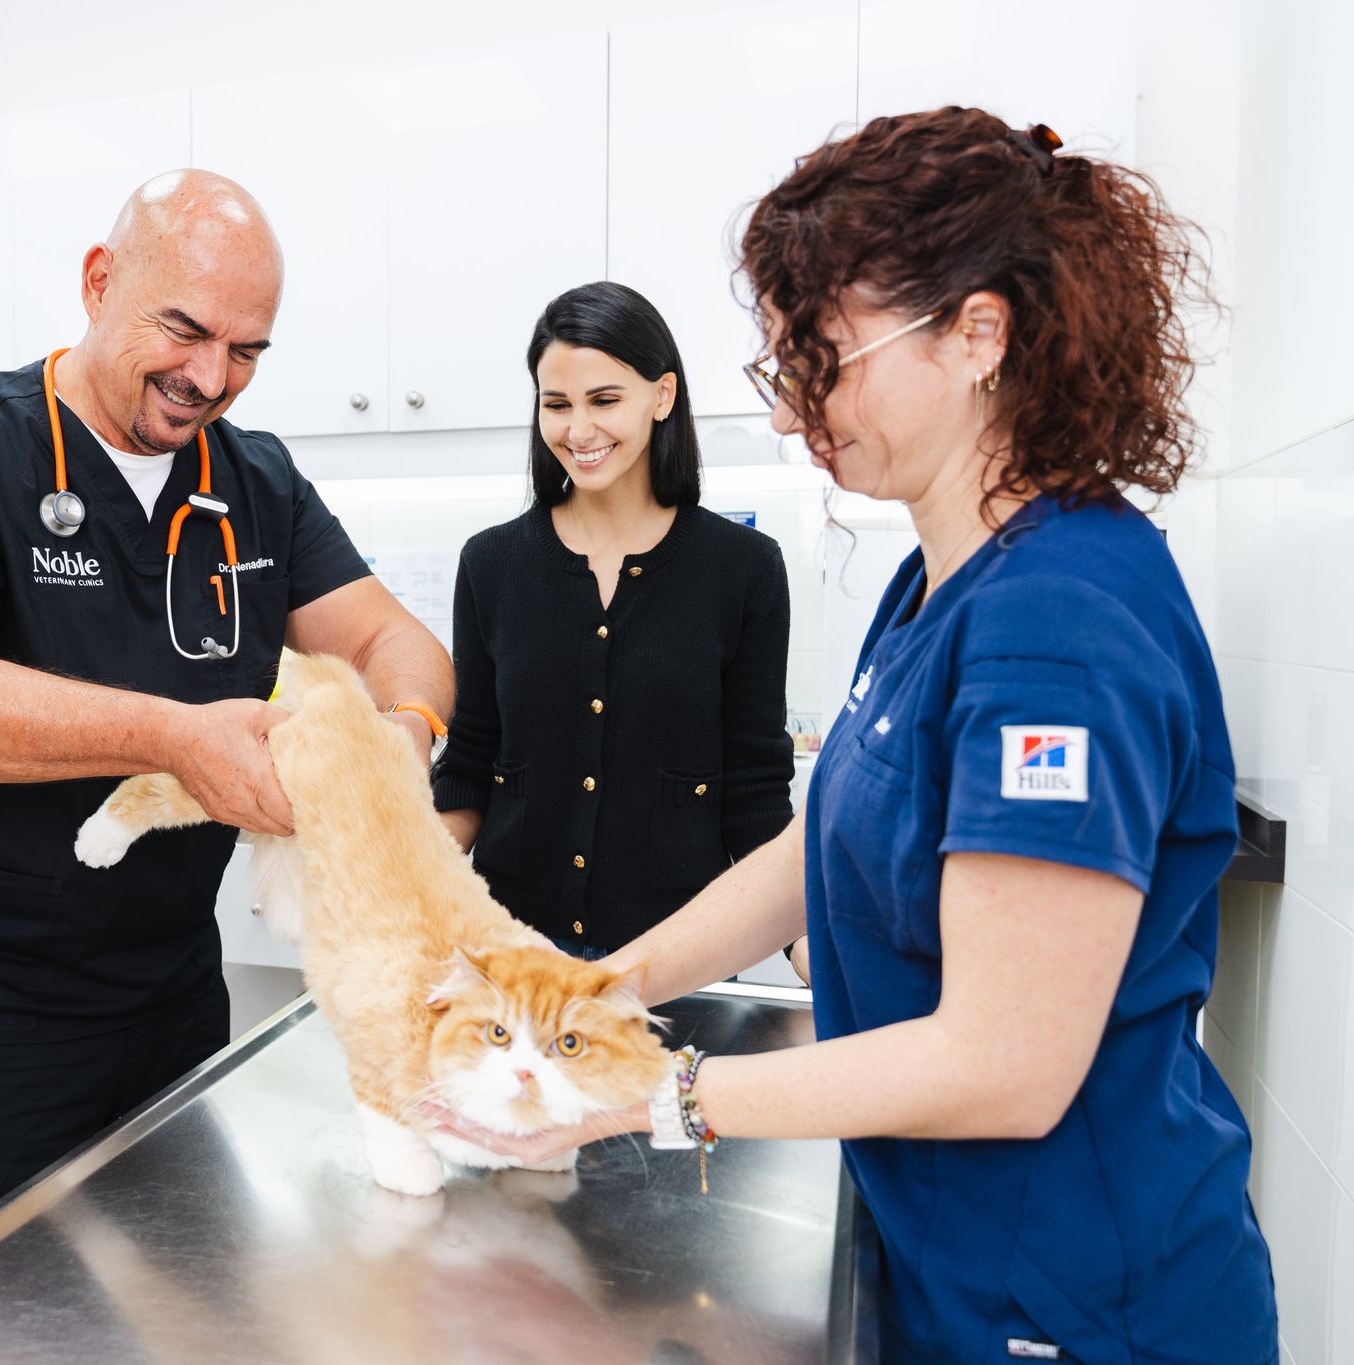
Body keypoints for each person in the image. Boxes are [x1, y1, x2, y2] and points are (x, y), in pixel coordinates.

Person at [427, 109, 1276, 1363]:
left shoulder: (1057, 620)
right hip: (949, 1255)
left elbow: (1005, 1061)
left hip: (1074, 1300)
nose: (788, 415)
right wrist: (600, 989)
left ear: (977, 333)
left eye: (819, 358)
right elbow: (813, 842)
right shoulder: (937, 581)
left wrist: (642, 1097)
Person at [0, 169, 451, 1262]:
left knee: (186, 1300)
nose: (209, 377)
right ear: (97, 283)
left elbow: (392, 644)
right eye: (183, 329)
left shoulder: (254, 478)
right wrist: (173, 735)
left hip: (172, 994)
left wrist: (400, 737)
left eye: (247, 351)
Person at [432, 280, 793, 958]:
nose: (579, 430)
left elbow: (755, 793)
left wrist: (812, 957)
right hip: (513, 953)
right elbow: (471, 764)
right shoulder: (491, 564)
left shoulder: (742, 569)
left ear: (662, 396)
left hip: (681, 954)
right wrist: (404, 900)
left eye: (604, 400)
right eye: (557, 404)